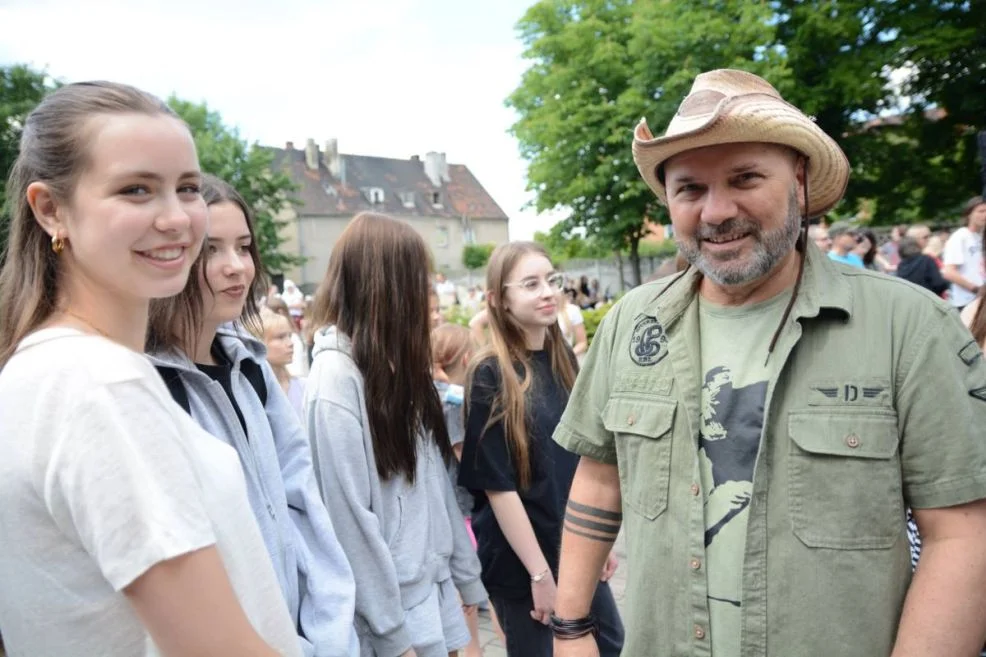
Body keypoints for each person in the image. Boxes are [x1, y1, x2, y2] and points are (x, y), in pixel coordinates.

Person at [551, 69, 986, 657]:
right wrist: (572, 627)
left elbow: (962, 534)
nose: (716, 210)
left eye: (745, 178)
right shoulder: (633, 324)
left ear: (799, 181)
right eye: (689, 189)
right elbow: (600, 478)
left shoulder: (906, 327)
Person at [0, 81, 300, 656]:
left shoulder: (47, 368)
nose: (176, 219)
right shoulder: (99, 385)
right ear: (50, 209)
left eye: (186, 188)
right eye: (135, 190)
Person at [146, 174, 358, 657]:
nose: (235, 267)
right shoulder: (151, 387)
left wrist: (331, 639)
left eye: (243, 247)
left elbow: (303, 507)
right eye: (210, 250)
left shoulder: (253, 368)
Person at [305, 213, 486, 657]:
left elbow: (436, 486)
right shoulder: (335, 379)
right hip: (391, 619)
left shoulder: (398, 368)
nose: (429, 297)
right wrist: (391, 638)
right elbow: (350, 521)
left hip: (431, 595)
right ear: (387, 288)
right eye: (419, 283)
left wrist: (467, 579)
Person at [457, 242, 624, 657]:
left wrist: (594, 543)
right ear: (500, 300)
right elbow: (498, 487)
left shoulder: (561, 355)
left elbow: (580, 459)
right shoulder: (490, 373)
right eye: (530, 284)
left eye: (551, 280)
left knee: (609, 641)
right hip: (524, 558)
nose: (548, 291)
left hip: (570, 542)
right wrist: (539, 575)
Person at [432, 323, 494, 657]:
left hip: (454, 509)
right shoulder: (453, 401)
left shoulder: (435, 393)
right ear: (468, 357)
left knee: (467, 603)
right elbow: (464, 453)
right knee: (475, 601)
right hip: (463, 510)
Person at [257, 307, 307, 421]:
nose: (290, 343)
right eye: (280, 337)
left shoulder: (304, 387)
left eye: (289, 336)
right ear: (259, 343)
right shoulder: (253, 394)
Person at [943, 196, 986, 311]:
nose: (984, 215)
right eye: (981, 211)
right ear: (969, 214)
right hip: (966, 301)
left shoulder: (980, 237)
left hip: (980, 299)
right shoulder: (960, 236)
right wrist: (975, 289)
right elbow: (949, 272)